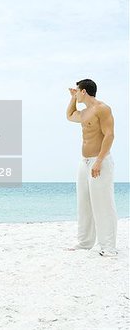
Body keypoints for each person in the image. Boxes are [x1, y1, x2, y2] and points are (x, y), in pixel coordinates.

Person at [66, 79, 118, 257]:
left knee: (103, 203)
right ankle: (85, 242)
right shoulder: (85, 112)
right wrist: (73, 98)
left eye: (77, 91)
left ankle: (108, 246)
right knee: (84, 202)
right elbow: (69, 115)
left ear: (84, 92)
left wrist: (99, 161)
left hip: (99, 161)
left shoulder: (102, 109)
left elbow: (110, 135)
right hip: (84, 161)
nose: (76, 93)